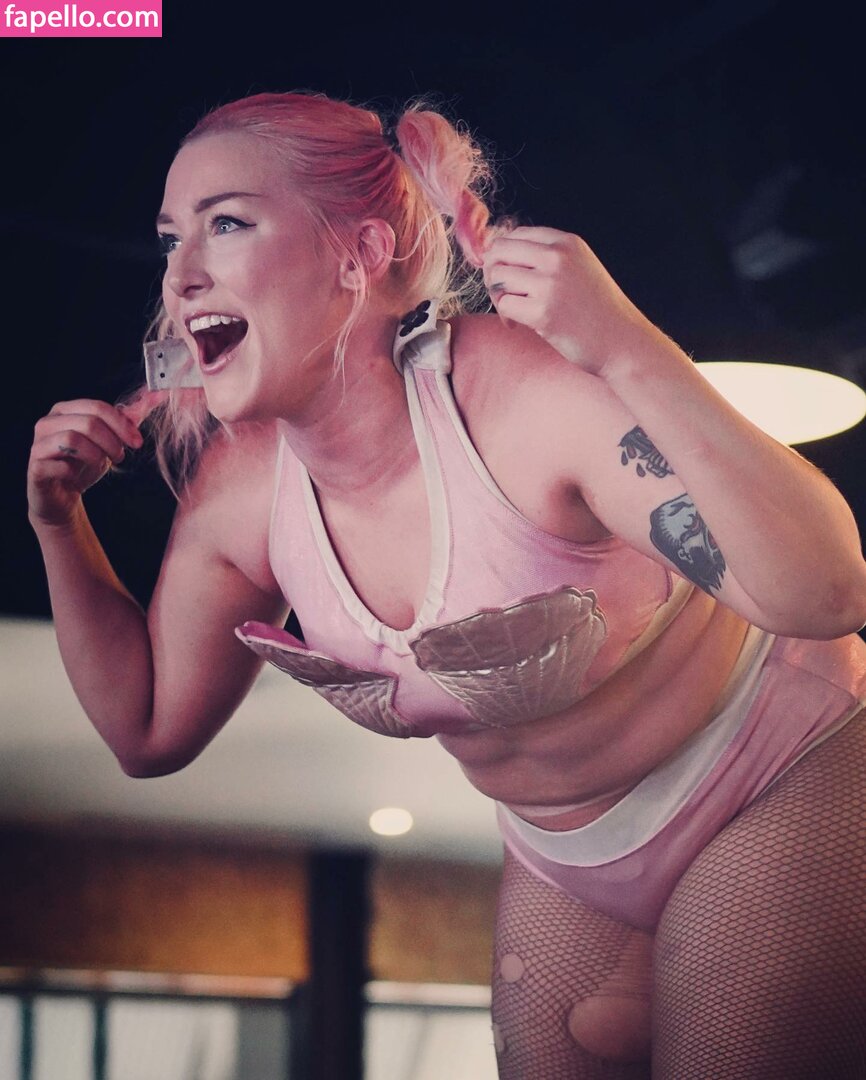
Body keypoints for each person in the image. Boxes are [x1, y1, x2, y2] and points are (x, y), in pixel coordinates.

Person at [27, 90, 866, 1078]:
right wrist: (57, 524)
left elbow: (827, 594)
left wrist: (622, 345)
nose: (179, 276)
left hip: (774, 774)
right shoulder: (242, 494)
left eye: (227, 224)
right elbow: (146, 733)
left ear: (359, 254)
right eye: (171, 238)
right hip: (566, 858)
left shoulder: (514, 398)